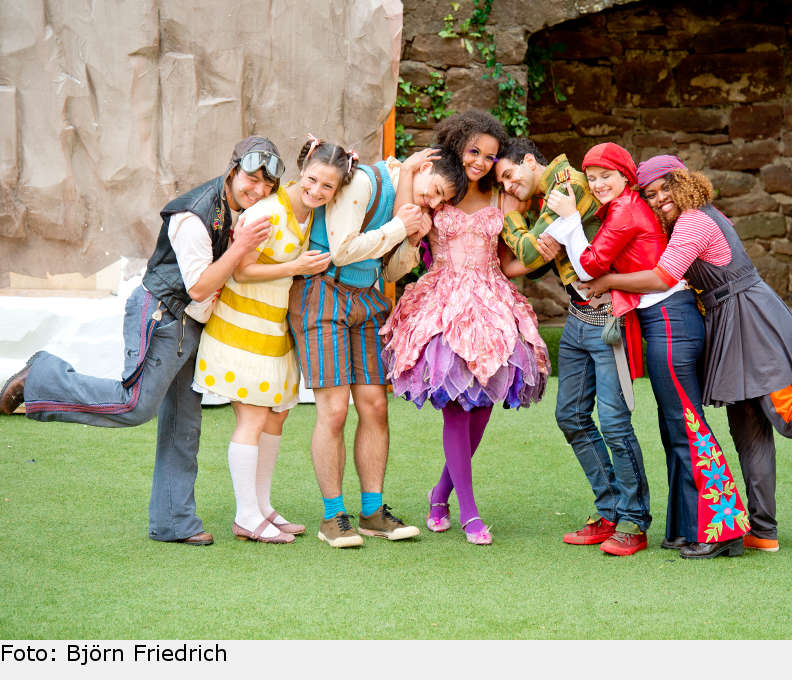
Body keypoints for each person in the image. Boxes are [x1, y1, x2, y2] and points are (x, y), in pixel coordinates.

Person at [583, 154, 792, 553]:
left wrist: (606, 279)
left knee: (788, 415)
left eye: (666, 188)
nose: (660, 198)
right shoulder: (690, 219)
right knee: (747, 429)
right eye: (651, 194)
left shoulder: (695, 219)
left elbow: (664, 276)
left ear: (684, 182)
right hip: (727, 318)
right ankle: (762, 530)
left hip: (750, 315)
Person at [0, 136, 282, 546]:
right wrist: (241, 247)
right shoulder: (193, 216)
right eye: (251, 179)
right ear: (233, 168)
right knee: (134, 404)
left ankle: (174, 522)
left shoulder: (242, 209)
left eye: (267, 186)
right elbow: (201, 287)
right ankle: (41, 377)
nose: (258, 190)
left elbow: (306, 190)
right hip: (162, 313)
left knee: (184, 424)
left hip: (194, 324)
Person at [541, 142, 748, 559]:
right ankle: (689, 528)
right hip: (663, 322)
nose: (598, 184)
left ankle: (724, 532)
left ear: (624, 176)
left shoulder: (624, 210)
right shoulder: (624, 208)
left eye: (606, 176)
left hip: (672, 321)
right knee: (676, 428)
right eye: (592, 177)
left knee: (688, 426)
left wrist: (569, 223)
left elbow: (593, 267)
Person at [380, 111, 550, 545]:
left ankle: (440, 493)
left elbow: (512, 261)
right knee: (457, 404)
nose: (481, 162)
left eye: (490, 156)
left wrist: (542, 253)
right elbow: (404, 222)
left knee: (484, 404)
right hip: (444, 300)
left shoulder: (504, 197)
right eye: (474, 151)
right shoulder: (440, 191)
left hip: (493, 299)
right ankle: (470, 513)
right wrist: (412, 170)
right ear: (457, 146)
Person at [287, 142, 468, 548]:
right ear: (424, 164)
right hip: (322, 293)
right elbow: (343, 249)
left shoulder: (412, 206)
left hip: (366, 298)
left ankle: (372, 511)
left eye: (442, 200)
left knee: (375, 404)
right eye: (435, 188)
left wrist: (409, 241)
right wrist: (398, 228)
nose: (433, 201)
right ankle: (333, 516)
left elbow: (391, 269)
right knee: (333, 410)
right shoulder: (367, 181)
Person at [494, 138, 652, 556]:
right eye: (503, 184)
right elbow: (526, 264)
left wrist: (510, 219)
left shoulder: (569, 185)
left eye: (510, 175)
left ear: (531, 160)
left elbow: (528, 250)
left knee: (615, 424)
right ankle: (610, 510)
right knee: (571, 416)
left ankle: (634, 520)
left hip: (609, 325)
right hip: (579, 319)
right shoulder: (551, 197)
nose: (509, 187)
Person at [194, 136, 338, 544]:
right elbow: (241, 272)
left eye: (327, 186)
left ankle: (262, 506)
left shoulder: (308, 212)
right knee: (253, 418)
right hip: (242, 326)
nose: (316, 191)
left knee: (277, 416)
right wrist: (297, 267)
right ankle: (245, 516)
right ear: (302, 170)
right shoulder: (267, 212)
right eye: (311, 180)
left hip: (273, 327)